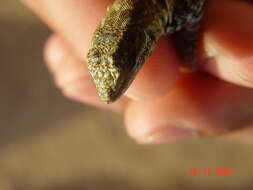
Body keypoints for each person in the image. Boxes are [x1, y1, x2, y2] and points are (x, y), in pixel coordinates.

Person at [21, 0, 253, 144]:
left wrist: (190, 49)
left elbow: (193, 12)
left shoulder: (176, 14)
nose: (108, 93)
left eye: (126, 65)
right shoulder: (160, 18)